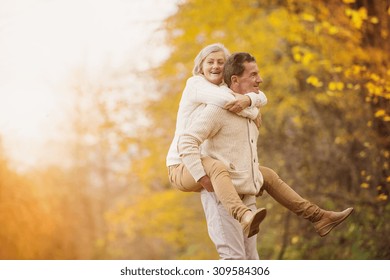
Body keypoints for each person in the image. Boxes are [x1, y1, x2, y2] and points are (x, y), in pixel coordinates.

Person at [177, 51, 353, 259]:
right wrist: (203, 178)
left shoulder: (249, 112)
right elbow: (187, 141)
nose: (259, 79)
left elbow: (244, 151)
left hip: (246, 195)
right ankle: (315, 216)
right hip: (221, 197)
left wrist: (251, 102)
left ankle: (318, 217)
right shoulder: (216, 109)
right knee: (234, 260)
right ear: (235, 80)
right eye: (253, 75)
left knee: (252, 260)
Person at [166, 43, 268, 238]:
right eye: (210, 62)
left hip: (203, 160)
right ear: (201, 66)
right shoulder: (195, 84)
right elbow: (227, 102)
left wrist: (250, 100)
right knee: (217, 168)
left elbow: (259, 96)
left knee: (268, 176)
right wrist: (253, 109)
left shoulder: (223, 87)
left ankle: (315, 215)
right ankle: (243, 215)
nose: (215, 66)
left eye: (221, 62)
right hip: (182, 162)